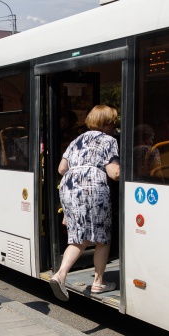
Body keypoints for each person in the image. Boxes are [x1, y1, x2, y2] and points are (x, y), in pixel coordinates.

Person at [49, 105, 121, 301]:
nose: (114, 125)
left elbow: (62, 168)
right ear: (106, 123)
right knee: (102, 237)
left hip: (70, 188)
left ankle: (60, 274)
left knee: (78, 237)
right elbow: (114, 173)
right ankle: (98, 282)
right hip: (93, 187)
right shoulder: (109, 140)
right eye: (113, 121)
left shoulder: (77, 139)